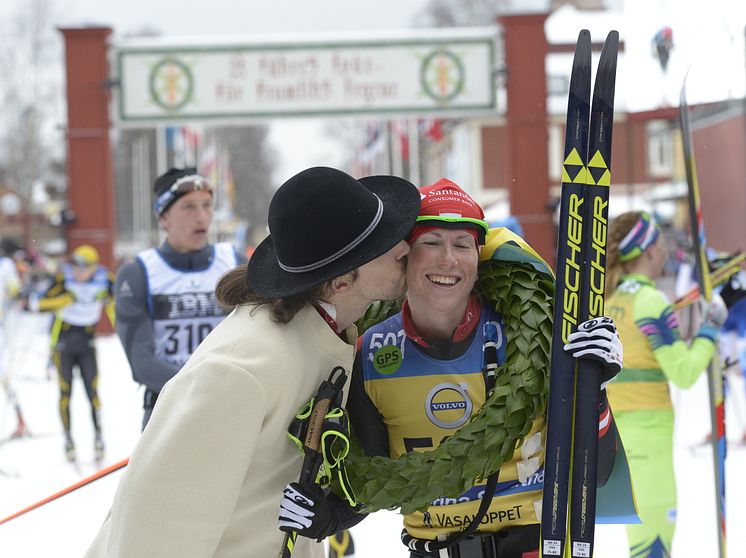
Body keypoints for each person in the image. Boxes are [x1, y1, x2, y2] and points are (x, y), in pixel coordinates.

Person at [84, 166, 421, 558]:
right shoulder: (237, 371)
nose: (405, 248)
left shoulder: (327, 333)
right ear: (342, 282)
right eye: (384, 244)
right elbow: (154, 532)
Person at [286, 179, 626, 558]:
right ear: (405, 256)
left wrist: (592, 387)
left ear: (478, 260)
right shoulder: (371, 354)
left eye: (462, 245)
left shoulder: (528, 339)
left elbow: (594, 474)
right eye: (431, 242)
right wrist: (327, 517)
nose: (447, 260)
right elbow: (368, 478)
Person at [603, 210, 727, 557]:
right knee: (654, 549)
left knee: (641, 548)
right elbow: (684, 372)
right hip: (651, 446)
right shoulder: (651, 301)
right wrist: (710, 328)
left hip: (622, 446)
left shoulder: (610, 302)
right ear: (649, 251)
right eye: (661, 243)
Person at [114, 167, 242, 429]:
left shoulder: (235, 263)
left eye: (207, 205)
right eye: (188, 207)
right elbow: (142, 362)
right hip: (168, 406)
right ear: (163, 217)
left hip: (230, 405)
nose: (202, 217)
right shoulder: (138, 273)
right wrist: (200, 391)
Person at [28, 244, 115, 461]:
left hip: (87, 343)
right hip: (64, 343)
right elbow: (39, 304)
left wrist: (111, 306)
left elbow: (121, 307)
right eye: (75, 266)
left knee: (92, 393)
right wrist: (63, 300)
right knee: (65, 393)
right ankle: (68, 440)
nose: (78, 271)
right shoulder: (63, 280)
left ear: (94, 267)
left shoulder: (105, 280)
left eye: (83, 267)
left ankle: (98, 438)